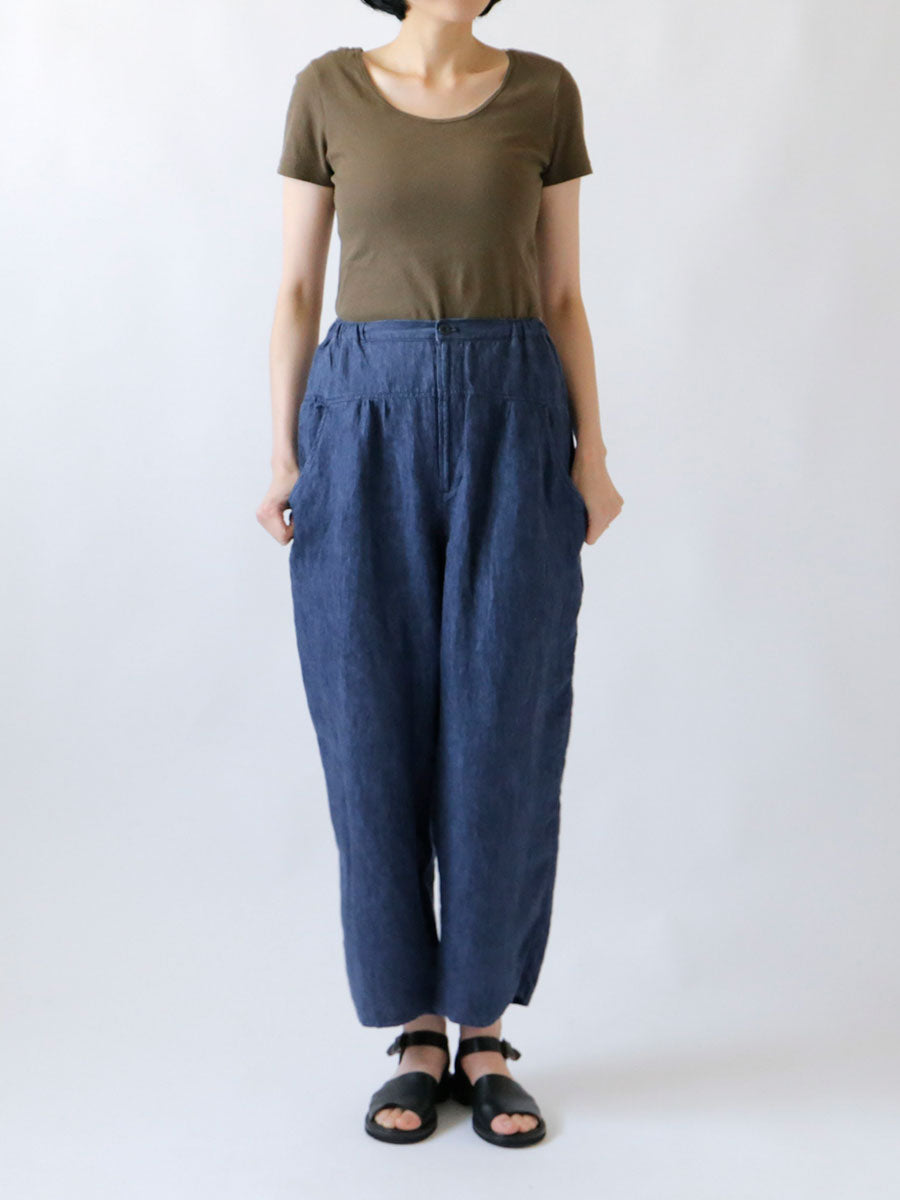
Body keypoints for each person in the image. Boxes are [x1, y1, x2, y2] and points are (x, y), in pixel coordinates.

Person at [257, 0, 623, 1148]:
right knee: (368, 723)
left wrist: (594, 458)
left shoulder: (544, 92)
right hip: (361, 416)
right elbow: (297, 290)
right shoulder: (327, 89)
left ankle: (485, 1033)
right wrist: (283, 454)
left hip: (515, 417)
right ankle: (415, 1032)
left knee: (502, 722)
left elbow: (561, 294)